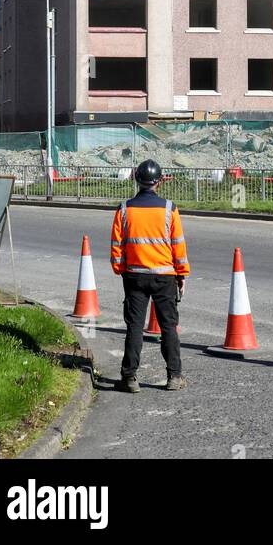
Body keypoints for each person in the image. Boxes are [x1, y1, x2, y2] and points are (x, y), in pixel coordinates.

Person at [109, 159, 190, 392]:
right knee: (168, 327)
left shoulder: (124, 208)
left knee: (135, 326)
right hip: (165, 276)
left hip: (134, 275)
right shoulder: (169, 209)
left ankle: (129, 377)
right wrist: (181, 275)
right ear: (160, 181)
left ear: (137, 179)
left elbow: (117, 245)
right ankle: (174, 377)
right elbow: (178, 246)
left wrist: (121, 269)